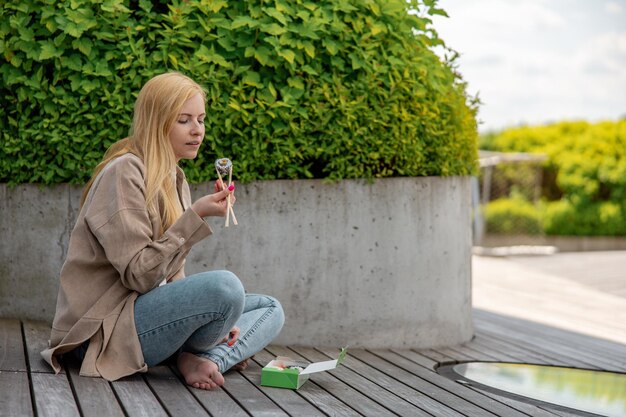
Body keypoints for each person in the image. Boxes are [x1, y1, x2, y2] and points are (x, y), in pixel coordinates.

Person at [41, 72, 285, 390]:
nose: (197, 130)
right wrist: (195, 215)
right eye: (184, 120)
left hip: (146, 316)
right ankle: (196, 355)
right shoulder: (124, 172)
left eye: (200, 119)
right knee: (226, 289)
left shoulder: (174, 177)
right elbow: (139, 276)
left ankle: (207, 359)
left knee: (269, 308)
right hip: (105, 331)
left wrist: (210, 316)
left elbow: (171, 278)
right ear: (157, 122)